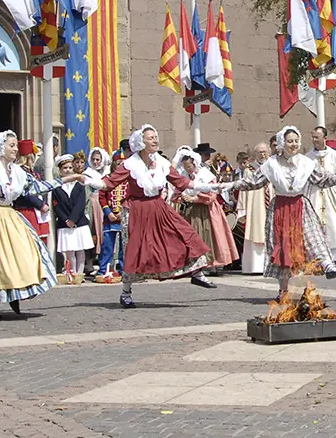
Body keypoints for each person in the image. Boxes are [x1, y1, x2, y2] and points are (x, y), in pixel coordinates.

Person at [90, 125, 228, 308]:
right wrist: (87, 180)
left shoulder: (162, 163)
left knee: (184, 233)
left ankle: (196, 273)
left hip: (158, 206)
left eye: (156, 137)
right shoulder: (130, 164)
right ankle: (126, 292)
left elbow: (181, 181)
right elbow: (109, 183)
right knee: (135, 250)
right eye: (150, 138)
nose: (155, 140)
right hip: (138, 210)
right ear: (141, 142)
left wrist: (210, 187)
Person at [0, 133, 86, 316]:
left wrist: (69, 178)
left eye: (15, 145)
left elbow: (37, 187)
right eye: (11, 145)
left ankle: (17, 292)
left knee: (24, 252)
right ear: (0, 147)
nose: (15, 149)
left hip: (8, 214)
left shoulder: (17, 171)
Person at [235, 126, 336, 295]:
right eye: (290, 141)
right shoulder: (272, 164)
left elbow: (322, 179)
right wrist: (227, 185)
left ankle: (327, 266)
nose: (294, 144)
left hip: (300, 205)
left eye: (296, 141)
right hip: (280, 209)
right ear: (283, 143)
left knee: (311, 238)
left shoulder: (306, 163)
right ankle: (283, 290)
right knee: (284, 250)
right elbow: (253, 182)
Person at [173, 146, 240, 273]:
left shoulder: (205, 175)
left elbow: (212, 195)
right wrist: (181, 196)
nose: (188, 169)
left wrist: (195, 198)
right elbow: (177, 191)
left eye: (190, 166)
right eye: (186, 167)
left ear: (195, 163)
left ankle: (211, 264)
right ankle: (196, 264)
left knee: (208, 234)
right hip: (191, 211)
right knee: (194, 236)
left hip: (207, 210)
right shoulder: (184, 175)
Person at [306, 127, 336, 265]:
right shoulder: (307, 157)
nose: (314, 140)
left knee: (334, 225)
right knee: (315, 226)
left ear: (324, 138)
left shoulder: (334, 155)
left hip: (331, 195)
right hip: (314, 194)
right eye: (313, 137)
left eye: (317, 138)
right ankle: (317, 260)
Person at [53, 153, 95, 285]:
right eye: (65, 168)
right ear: (60, 171)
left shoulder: (79, 186)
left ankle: (80, 274)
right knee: (70, 251)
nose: (68, 170)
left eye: (70, 168)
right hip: (65, 223)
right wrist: (66, 219)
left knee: (80, 250)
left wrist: (73, 219)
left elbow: (80, 204)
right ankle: (72, 274)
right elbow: (56, 205)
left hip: (79, 222)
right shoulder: (57, 187)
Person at [238, 142, 274, 275]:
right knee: (255, 232)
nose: (262, 154)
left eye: (264, 151)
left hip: (272, 203)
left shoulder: (274, 167)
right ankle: (255, 266)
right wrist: (243, 209)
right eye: (259, 152)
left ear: (269, 152)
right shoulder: (249, 170)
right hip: (255, 207)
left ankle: (272, 264)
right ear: (255, 154)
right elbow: (243, 190)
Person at [95, 150, 127, 282]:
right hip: (110, 219)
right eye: (118, 163)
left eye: (123, 164)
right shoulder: (106, 180)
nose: (120, 166)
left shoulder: (129, 180)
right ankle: (104, 269)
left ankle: (124, 269)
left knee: (124, 246)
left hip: (124, 217)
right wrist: (108, 213)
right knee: (107, 245)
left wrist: (122, 212)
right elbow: (102, 197)